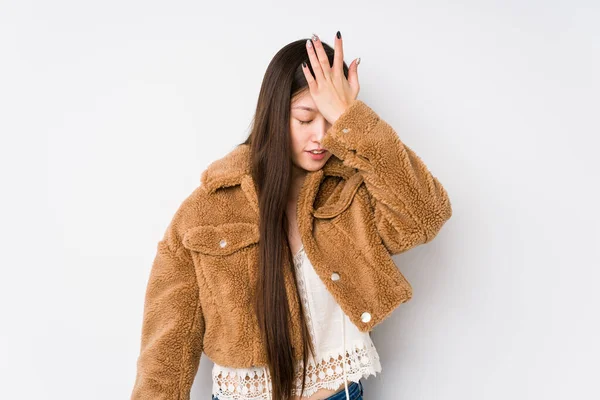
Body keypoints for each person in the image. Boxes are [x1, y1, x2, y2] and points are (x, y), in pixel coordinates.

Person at [131, 32, 452, 400]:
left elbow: (426, 215)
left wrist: (354, 119)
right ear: (274, 114)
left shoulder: (355, 191)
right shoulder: (207, 208)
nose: (321, 137)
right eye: (304, 118)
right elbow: (166, 348)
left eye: (331, 120)